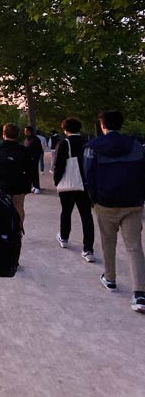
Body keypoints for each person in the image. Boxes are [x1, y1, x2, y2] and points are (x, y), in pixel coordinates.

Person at [84, 110, 145, 314]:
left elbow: (88, 175)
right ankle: (139, 293)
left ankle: (110, 278)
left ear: (103, 126)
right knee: (134, 247)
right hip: (133, 202)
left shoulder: (93, 148)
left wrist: (93, 199)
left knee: (108, 242)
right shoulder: (137, 145)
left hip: (105, 202)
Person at [53, 117, 95, 261]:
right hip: (84, 184)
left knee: (66, 211)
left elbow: (59, 164)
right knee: (86, 216)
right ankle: (88, 249)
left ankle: (64, 237)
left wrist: (57, 181)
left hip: (68, 183)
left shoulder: (64, 143)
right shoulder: (87, 143)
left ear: (65, 129)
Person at [0, 123, 31, 225]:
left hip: (0, 183)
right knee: (19, 208)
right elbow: (29, 169)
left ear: (4, 134)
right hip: (18, 184)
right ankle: (17, 231)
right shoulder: (23, 150)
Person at [24, 125, 44, 193]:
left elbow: (37, 149)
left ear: (29, 131)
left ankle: (37, 187)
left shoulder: (34, 139)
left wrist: (34, 157)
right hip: (30, 158)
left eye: (25, 130)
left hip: (34, 157)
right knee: (31, 172)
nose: (24, 132)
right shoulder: (28, 138)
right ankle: (34, 186)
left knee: (34, 171)